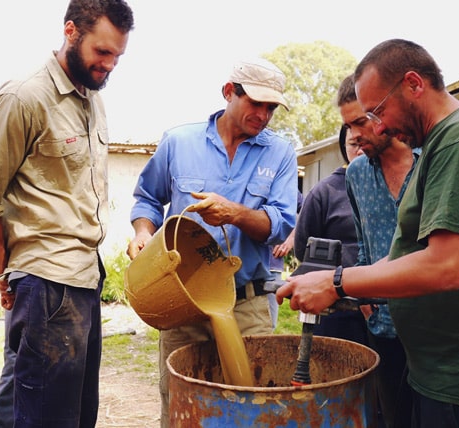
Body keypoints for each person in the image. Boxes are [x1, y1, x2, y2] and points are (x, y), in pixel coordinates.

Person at [276, 38, 459, 428]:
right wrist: (343, 284)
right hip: (445, 375)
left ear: (414, 84)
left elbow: (445, 267)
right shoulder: (443, 142)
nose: (379, 125)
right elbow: (409, 254)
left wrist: (336, 283)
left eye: (378, 111)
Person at [0, 1, 134, 427]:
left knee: (52, 412)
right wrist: (6, 272)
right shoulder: (24, 97)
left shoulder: (92, 100)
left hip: (83, 279)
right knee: (49, 418)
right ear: (70, 31)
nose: (109, 65)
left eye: (117, 56)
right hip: (45, 283)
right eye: (102, 52)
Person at [126, 58, 298, 428]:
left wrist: (235, 214)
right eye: (256, 103)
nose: (264, 115)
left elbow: (282, 225)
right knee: (182, 407)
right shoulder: (179, 142)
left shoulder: (280, 153)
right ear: (228, 93)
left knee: (251, 405)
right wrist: (143, 232)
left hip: (248, 304)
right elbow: (147, 200)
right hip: (182, 302)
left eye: (271, 108)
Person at [339, 73, 419, 428]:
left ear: (383, 112)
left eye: (360, 122)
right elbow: (363, 240)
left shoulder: (432, 161)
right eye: (348, 126)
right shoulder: (356, 173)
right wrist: (365, 298)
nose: (354, 136)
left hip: (434, 326)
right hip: (381, 323)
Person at [293, 122, 367, 344]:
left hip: (381, 301)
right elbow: (302, 248)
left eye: (365, 143)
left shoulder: (388, 184)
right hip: (336, 306)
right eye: (354, 144)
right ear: (344, 147)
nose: (361, 150)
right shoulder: (325, 192)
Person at [268, 190, 302, 329]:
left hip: (270, 264)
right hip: (227, 265)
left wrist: (291, 237)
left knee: (267, 327)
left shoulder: (279, 176)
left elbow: (307, 208)